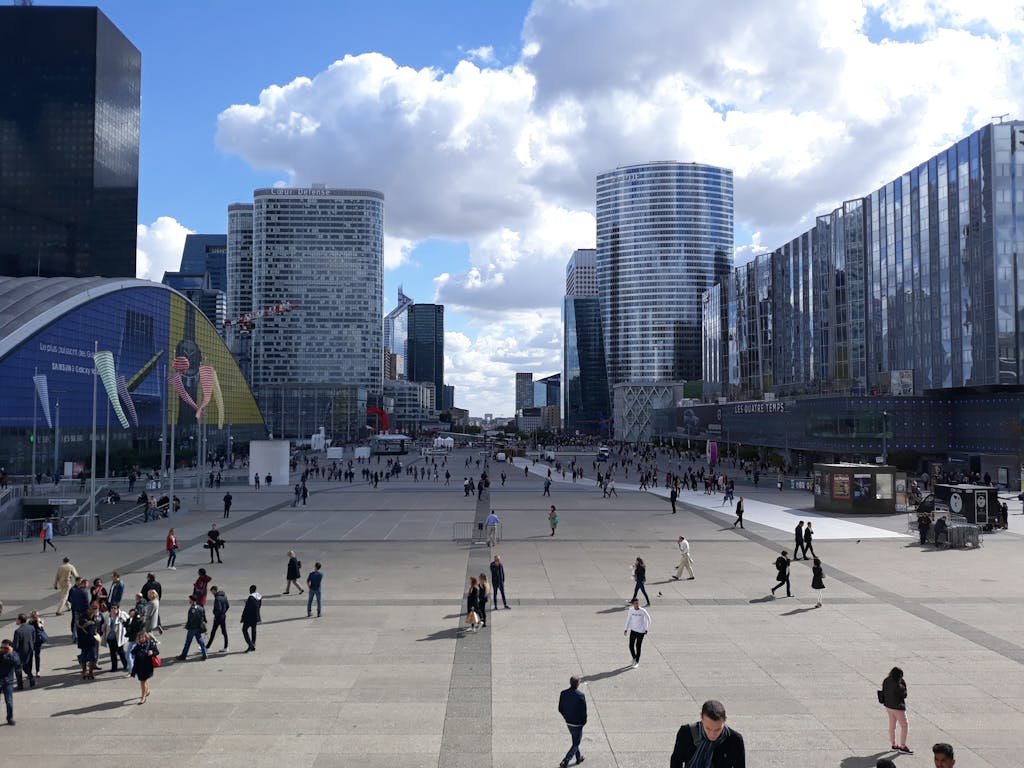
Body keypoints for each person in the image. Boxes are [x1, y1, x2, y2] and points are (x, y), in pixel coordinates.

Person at [669, 699, 746, 768]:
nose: (712, 734)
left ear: (725, 719)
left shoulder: (735, 740)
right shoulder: (687, 733)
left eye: (717, 729)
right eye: (708, 728)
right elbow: (676, 760)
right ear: (701, 718)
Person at [557, 675, 587, 768]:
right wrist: (583, 722)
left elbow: (560, 708)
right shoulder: (581, 695)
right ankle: (565, 761)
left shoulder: (563, 693)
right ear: (578, 684)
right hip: (577, 724)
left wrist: (566, 717)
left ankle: (578, 758)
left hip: (568, 722)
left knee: (575, 741)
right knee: (576, 743)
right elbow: (584, 711)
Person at [881, 666, 912, 754]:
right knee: (904, 726)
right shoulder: (899, 685)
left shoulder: (886, 680)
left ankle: (894, 745)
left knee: (892, 725)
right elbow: (904, 695)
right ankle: (903, 746)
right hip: (898, 708)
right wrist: (903, 685)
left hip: (888, 706)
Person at [176, 594, 209, 662]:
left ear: (192, 600)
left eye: (190, 600)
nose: (189, 601)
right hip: (198, 627)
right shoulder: (200, 607)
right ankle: (204, 653)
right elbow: (203, 617)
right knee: (200, 641)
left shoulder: (192, 609)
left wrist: (187, 625)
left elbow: (191, 619)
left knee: (188, 642)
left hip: (192, 628)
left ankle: (183, 655)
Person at [130, 631, 159, 704]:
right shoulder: (138, 645)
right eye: (140, 638)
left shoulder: (150, 644)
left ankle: (143, 697)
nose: (142, 639)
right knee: (144, 681)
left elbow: (157, 652)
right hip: (139, 666)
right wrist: (136, 649)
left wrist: (152, 652)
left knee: (143, 681)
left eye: (143, 637)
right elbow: (132, 652)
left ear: (146, 637)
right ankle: (147, 691)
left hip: (147, 666)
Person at [623, 597, 651, 668]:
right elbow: (628, 619)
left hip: (641, 632)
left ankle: (637, 662)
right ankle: (634, 658)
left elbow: (649, 619)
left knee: (638, 646)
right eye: (635, 603)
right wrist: (625, 629)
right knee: (631, 646)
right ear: (632, 604)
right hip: (633, 630)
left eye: (638, 603)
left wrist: (646, 629)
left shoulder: (643, 610)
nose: (637, 604)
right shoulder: (631, 610)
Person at [11, 615, 35, 690]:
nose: (16, 621)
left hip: (20, 652)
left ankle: (20, 685)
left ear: (20, 620)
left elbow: (16, 645)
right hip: (29, 650)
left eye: (17, 619)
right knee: (27, 665)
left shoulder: (18, 631)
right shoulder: (31, 627)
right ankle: (31, 678)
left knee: (18, 668)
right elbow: (34, 638)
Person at [105, 603, 129, 672]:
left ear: (118, 608)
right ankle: (114, 667)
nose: (113, 609)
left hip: (119, 636)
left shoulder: (122, 614)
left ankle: (126, 664)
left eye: (115, 608)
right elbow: (105, 624)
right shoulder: (108, 616)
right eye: (112, 608)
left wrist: (123, 619)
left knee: (121, 652)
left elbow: (129, 621)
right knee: (112, 653)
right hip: (110, 637)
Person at [0, 639, 19, 725]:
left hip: (8, 681)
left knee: (9, 702)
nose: (3, 649)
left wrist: (10, 653)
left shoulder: (13, 654)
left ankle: (10, 718)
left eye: (5, 647)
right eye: (1, 647)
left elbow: (17, 663)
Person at [207, 586, 229, 652]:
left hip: (218, 617)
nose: (211, 593)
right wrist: (223, 612)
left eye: (211, 591)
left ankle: (207, 647)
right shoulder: (224, 596)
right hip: (223, 616)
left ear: (214, 590)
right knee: (224, 632)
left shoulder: (217, 598)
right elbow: (228, 606)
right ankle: (226, 647)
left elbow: (218, 609)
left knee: (213, 632)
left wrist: (215, 614)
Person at [240, 585, 262, 652]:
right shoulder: (259, 596)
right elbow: (258, 606)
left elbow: (247, 609)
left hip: (249, 617)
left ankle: (250, 645)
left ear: (251, 590)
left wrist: (243, 617)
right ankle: (253, 643)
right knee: (253, 630)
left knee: (244, 629)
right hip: (256, 616)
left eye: (250, 590)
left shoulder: (250, 597)